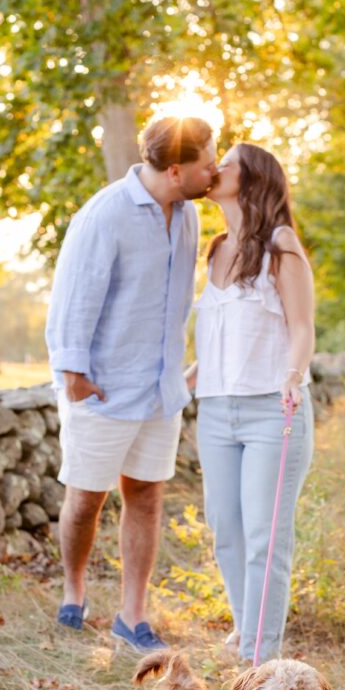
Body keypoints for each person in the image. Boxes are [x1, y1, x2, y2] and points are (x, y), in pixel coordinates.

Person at [46, 116, 218, 651]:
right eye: (206, 163)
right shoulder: (105, 214)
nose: (214, 170)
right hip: (103, 387)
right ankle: (74, 589)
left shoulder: (187, 213)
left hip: (161, 391)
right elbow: (72, 298)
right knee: (85, 500)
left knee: (145, 496)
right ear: (174, 170)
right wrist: (74, 376)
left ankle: (132, 614)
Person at [187, 143, 315, 664]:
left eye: (228, 163)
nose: (215, 170)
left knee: (265, 536)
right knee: (226, 530)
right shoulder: (216, 247)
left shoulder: (280, 244)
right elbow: (224, 333)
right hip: (216, 410)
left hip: (271, 409)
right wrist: (194, 373)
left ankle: (262, 659)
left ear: (253, 179)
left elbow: (302, 325)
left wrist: (292, 373)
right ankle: (247, 631)